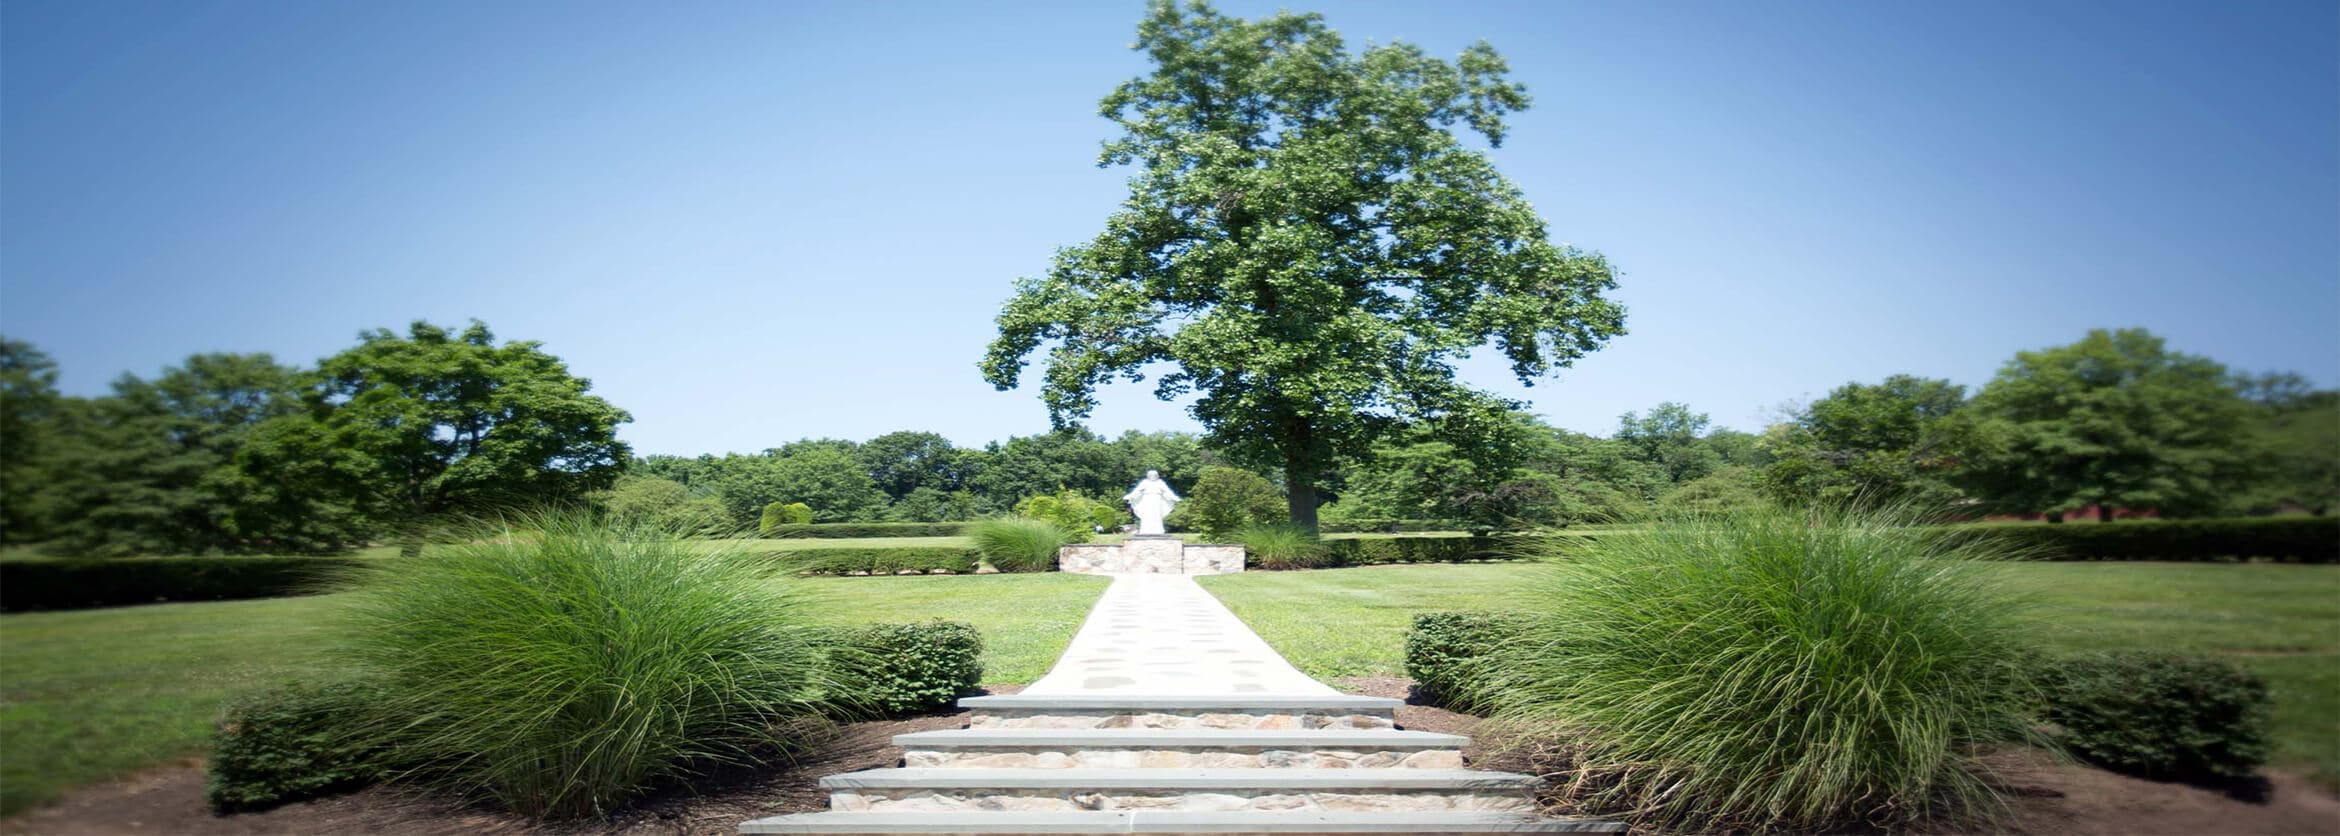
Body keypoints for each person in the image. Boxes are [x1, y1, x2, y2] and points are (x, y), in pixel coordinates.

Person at [1123, 470, 1180, 536]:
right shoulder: (1145, 482)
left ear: (1157, 475)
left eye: (1154, 475)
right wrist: (1130, 496)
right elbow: (1137, 490)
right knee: (1147, 514)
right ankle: (1145, 530)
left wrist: (1174, 497)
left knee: (1156, 514)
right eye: (1151, 475)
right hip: (1147, 499)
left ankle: (1158, 530)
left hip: (1157, 499)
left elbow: (1167, 491)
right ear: (1148, 475)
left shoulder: (1160, 482)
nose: (1152, 476)